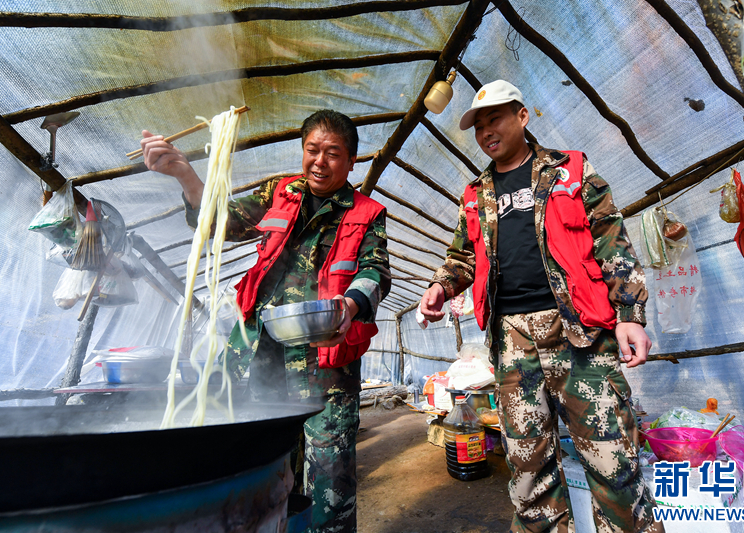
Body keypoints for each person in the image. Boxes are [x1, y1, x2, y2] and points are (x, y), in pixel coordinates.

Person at [419, 80, 664, 533]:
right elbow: (462, 258)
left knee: (612, 459)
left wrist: (630, 316)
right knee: (528, 468)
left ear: (522, 116)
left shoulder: (569, 169)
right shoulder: (475, 194)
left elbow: (611, 239)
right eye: (479, 126)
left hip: (580, 331)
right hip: (511, 340)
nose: (487, 131)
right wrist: (440, 285)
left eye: (496, 119)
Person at [140, 109, 391, 533]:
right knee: (261, 468)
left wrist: (349, 305)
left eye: (333, 153)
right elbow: (224, 221)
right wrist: (185, 175)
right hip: (258, 355)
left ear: (351, 162)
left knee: (331, 476)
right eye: (312, 150)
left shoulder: (366, 212)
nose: (319, 161)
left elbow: (376, 271)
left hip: (324, 365)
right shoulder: (280, 191)